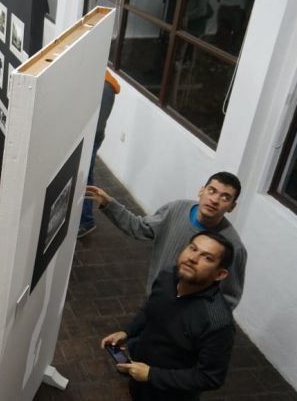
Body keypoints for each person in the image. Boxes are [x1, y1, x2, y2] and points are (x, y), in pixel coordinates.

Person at [101, 231, 236, 400]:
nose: (192, 258)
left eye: (207, 258)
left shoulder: (217, 322)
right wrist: (128, 332)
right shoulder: (167, 276)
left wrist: (151, 375)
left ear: (220, 275)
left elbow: (210, 377)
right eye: (192, 249)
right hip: (139, 376)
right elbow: (150, 309)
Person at [87, 172, 247, 309]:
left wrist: (199, 323)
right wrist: (109, 203)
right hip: (155, 301)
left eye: (225, 197)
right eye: (212, 191)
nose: (214, 200)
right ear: (201, 191)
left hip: (188, 321)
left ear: (232, 207)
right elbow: (140, 227)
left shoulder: (234, 247)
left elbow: (229, 297)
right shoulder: (176, 209)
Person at [77, 70, 120, 238]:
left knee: (85, 177)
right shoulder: (93, 77)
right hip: (84, 137)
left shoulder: (104, 87)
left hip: (89, 140)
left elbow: (97, 126)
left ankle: (86, 221)